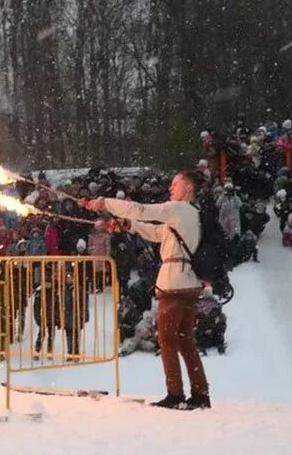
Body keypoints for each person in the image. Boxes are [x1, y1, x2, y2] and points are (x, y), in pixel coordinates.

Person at [85, 172, 210, 410]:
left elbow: (141, 210)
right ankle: (200, 393)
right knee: (185, 341)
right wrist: (129, 226)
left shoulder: (179, 209)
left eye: (175, 183)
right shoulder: (191, 215)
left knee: (167, 340)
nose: (171, 187)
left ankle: (175, 394)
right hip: (188, 282)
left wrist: (104, 203)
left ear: (188, 187)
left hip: (174, 283)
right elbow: (157, 233)